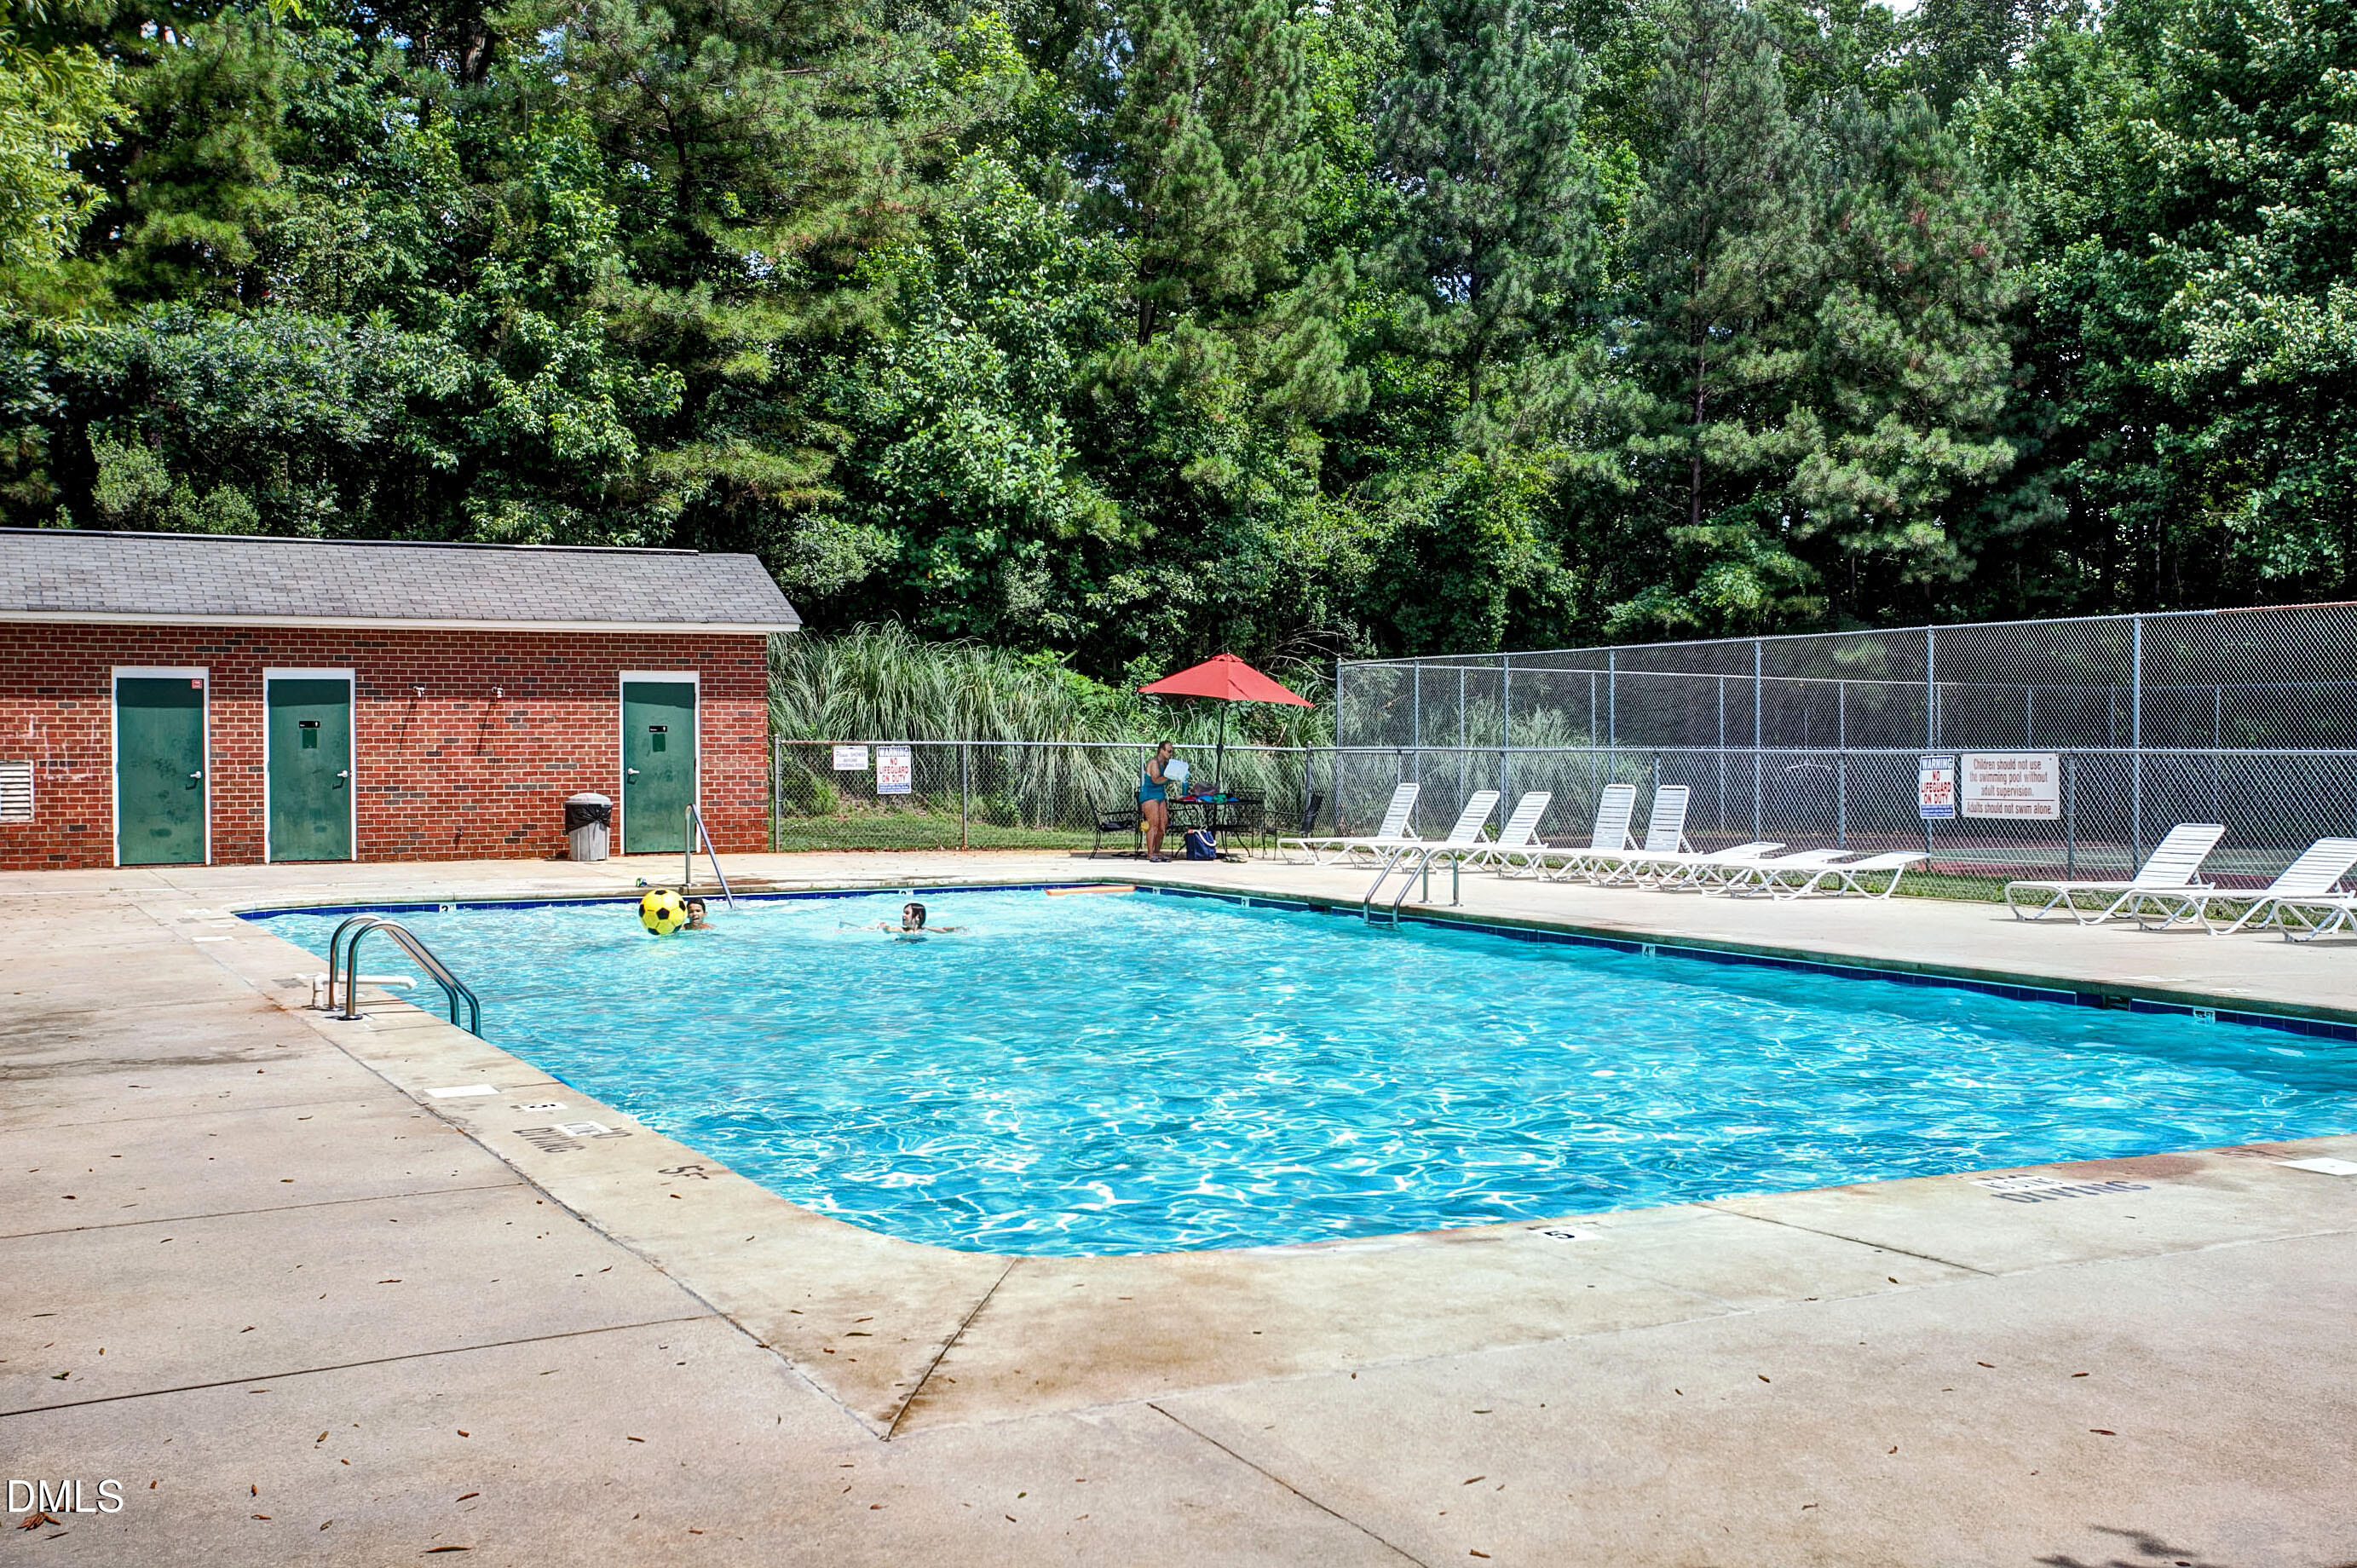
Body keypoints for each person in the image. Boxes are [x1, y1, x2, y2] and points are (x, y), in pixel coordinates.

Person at [1138, 741, 1177, 862]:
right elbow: (1156, 780)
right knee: (1153, 824)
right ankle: (1150, 853)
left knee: (1163, 825)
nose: (1171, 753)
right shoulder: (1154, 763)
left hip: (1160, 795)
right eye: (1169, 751)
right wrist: (1170, 777)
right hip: (1149, 796)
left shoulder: (1165, 764)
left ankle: (1157, 851)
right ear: (1161, 750)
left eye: (1172, 751)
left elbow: (1165, 781)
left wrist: (1175, 778)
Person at [874, 901, 961, 937]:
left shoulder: (925, 929)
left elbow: (943, 930)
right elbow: (889, 930)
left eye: (907, 913)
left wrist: (956, 929)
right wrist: (885, 927)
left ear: (917, 917)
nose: (903, 915)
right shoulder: (902, 930)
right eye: (904, 912)